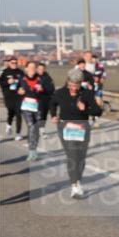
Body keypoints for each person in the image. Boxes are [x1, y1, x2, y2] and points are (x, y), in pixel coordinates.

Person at [51, 67, 103, 198]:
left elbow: (98, 111)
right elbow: (52, 103)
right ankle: (75, 185)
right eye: (71, 85)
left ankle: (77, 179)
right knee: (72, 155)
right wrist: (53, 115)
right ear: (67, 81)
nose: (74, 87)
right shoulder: (60, 93)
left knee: (81, 157)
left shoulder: (87, 94)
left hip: (82, 128)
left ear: (81, 83)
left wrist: (85, 109)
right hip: (65, 127)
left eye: (77, 85)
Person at [17, 61, 49, 161]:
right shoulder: (22, 79)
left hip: (38, 106)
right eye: (30, 67)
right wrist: (19, 92)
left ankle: (34, 149)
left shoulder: (42, 79)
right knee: (31, 126)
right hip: (26, 106)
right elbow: (17, 90)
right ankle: (31, 152)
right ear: (26, 68)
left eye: (34, 67)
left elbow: (49, 91)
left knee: (36, 128)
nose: (32, 69)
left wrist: (42, 90)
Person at [1, 56, 24, 139]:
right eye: (12, 63)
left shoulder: (20, 72)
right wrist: (8, 82)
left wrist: (22, 88)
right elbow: (1, 83)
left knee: (18, 114)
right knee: (11, 112)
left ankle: (18, 133)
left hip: (18, 96)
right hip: (8, 96)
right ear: (9, 63)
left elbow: (24, 82)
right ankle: (9, 125)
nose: (14, 64)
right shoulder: (4, 72)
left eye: (15, 63)